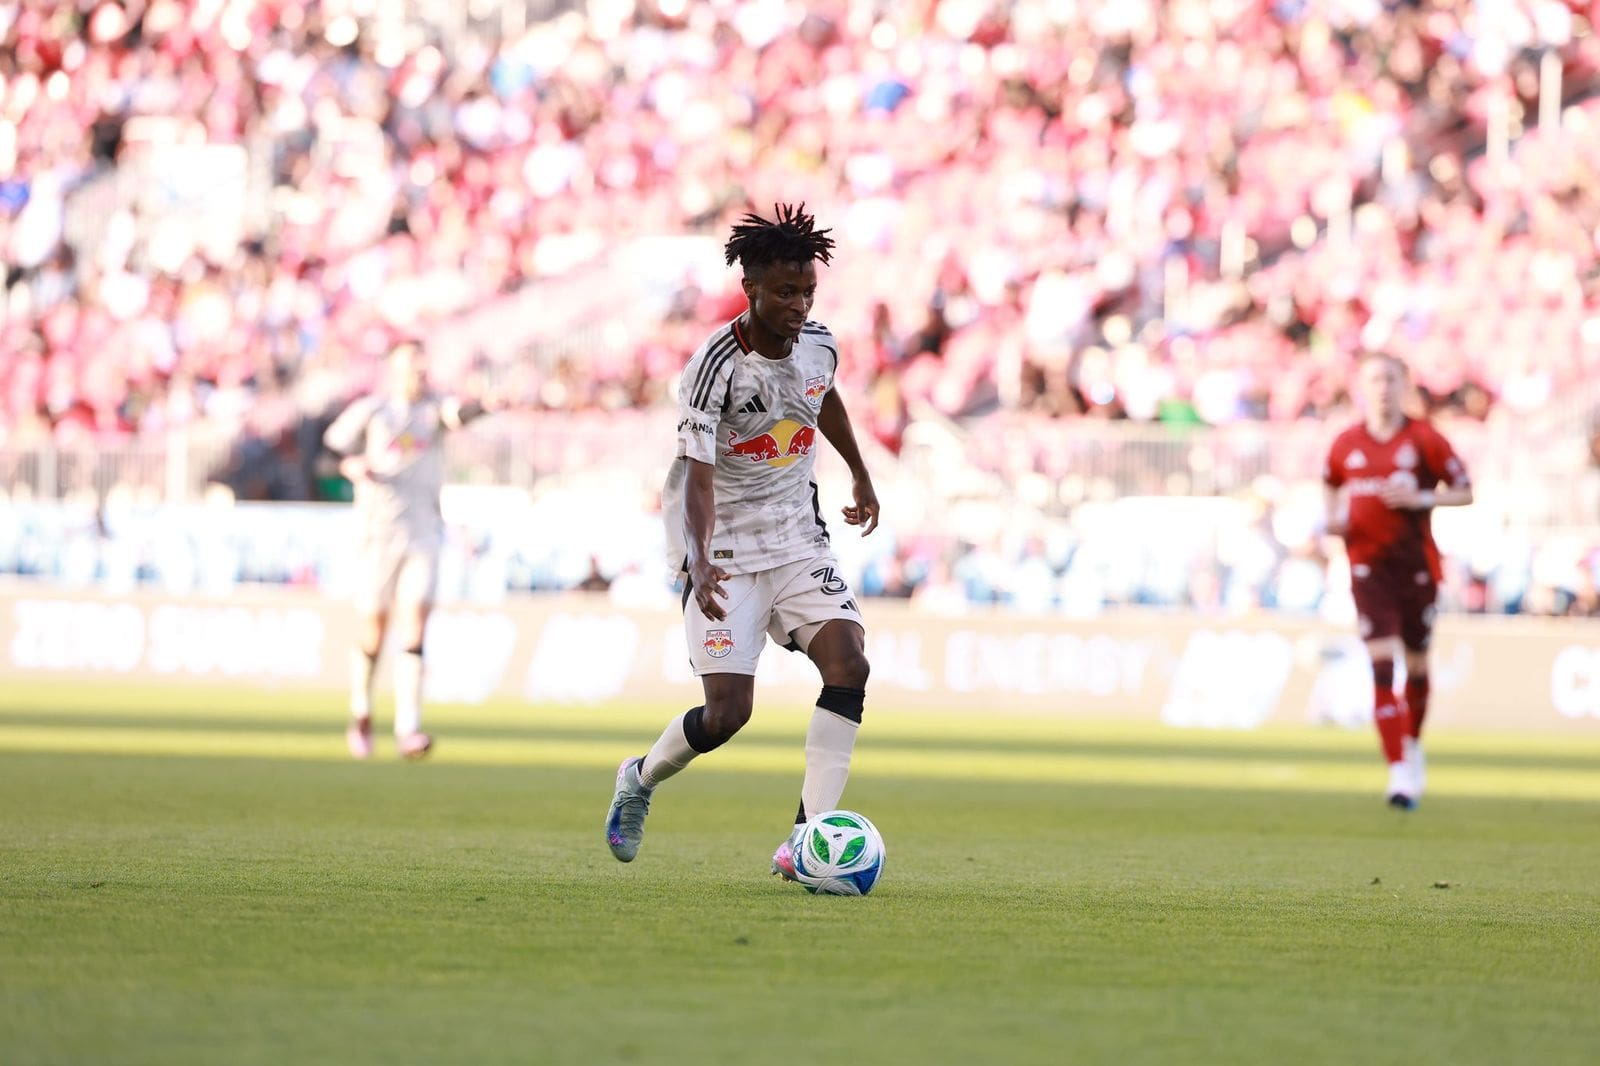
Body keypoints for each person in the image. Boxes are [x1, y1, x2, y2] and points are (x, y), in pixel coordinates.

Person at [605, 204, 881, 882]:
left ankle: (806, 841)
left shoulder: (820, 344)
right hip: (723, 551)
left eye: (807, 291)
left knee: (849, 664)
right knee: (728, 714)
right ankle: (639, 778)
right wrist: (698, 558)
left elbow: (823, 398)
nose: (799, 304)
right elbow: (698, 476)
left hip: (796, 540)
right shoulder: (714, 365)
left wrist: (860, 472)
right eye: (786, 292)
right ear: (751, 289)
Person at [322, 341, 500, 760]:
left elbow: (458, 414)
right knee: (374, 629)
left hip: (423, 531)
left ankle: (408, 728)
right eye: (410, 366)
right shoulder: (372, 411)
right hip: (377, 532)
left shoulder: (432, 410)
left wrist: (486, 404)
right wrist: (350, 466)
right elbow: (329, 456)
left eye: (422, 366)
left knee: (416, 623)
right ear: (394, 369)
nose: (418, 374)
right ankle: (361, 712)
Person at [1323, 353, 1472, 808]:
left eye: (1390, 378)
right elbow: (1330, 482)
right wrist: (1334, 519)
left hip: (1417, 568)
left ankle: (1412, 742)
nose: (1383, 387)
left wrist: (1420, 497)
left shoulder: (1424, 438)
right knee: (1383, 667)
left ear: (1404, 383)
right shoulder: (1346, 442)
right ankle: (1398, 772)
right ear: (1361, 387)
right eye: (1374, 379)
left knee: (1419, 666)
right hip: (1368, 568)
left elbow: (1466, 490)